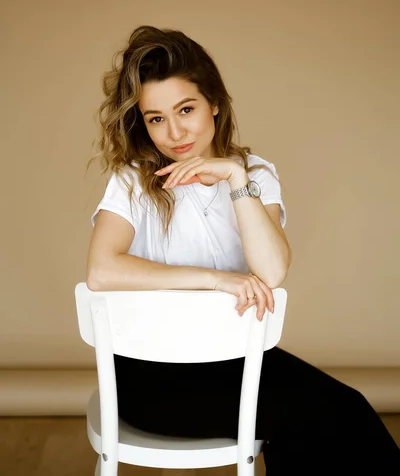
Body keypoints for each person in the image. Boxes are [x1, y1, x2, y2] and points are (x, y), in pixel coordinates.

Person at [86, 25, 399, 475]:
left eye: (186, 109)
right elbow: (101, 270)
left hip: (237, 364)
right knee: (315, 416)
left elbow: (271, 271)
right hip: (150, 379)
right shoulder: (134, 181)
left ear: (214, 102)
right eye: (156, 118)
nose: (174, 132)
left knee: (344, 408)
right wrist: (215, 280)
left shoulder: (254, 174)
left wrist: (234, 178)